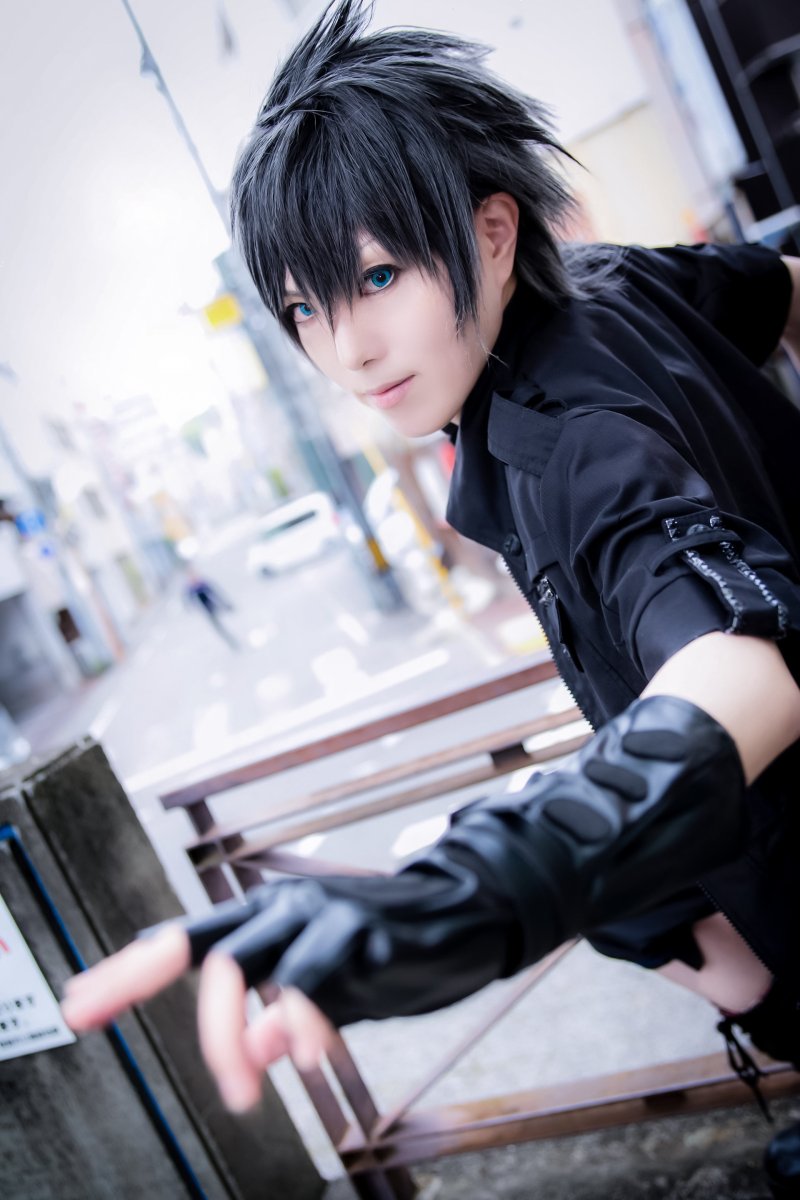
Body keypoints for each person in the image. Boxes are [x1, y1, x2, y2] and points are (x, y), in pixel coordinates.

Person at [62, 1, 800, 1188]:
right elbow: (779, 287)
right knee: (642, 906)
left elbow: (739, 661)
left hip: (768, 821)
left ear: (491, 232)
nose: (345, 350)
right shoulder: (609, 283)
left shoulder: (570, 448)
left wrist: (479, 888)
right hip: (730, 827)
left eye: (376, 276)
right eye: (305, 308)